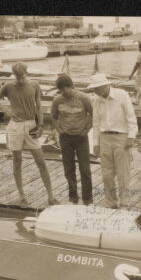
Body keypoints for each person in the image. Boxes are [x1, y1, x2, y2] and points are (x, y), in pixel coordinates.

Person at [0, 62, 59, 207]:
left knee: (40, 161)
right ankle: (22, 196)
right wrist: (7, 111)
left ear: (26, 73)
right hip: (15, 126)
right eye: (17, 77)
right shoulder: (8, 86)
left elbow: (39, 107)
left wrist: (41, 125)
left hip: (31, 125)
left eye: (22, 77)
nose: (20, 80)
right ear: (14, 75)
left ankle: (51, 196)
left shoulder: (34, 85)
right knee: (17, 161)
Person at [88, 73, 138, 209]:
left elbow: (131, 117)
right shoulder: (96, 101)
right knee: (106, 174)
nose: (95, 91)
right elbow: (96, 123)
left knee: (123, 173)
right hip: (104, 138)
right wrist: (96, 143)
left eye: (97, 88)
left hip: (121, 137)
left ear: (105, 85)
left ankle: (125, 203)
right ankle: (110, 202)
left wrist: (131, 136)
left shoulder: (122, 95)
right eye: (94, 88)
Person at [51, 74, 93, 205]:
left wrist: (87, 130)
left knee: (85, 169)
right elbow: (53, 117)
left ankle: (87, 199)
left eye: (67, 88)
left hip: (81, 138)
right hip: (65, 138)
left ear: (72, 86)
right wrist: (60, 130)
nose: (65, 92)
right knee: (69, 169)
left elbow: (93, 114)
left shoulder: (84, 98)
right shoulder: (57, 100)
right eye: (62, 90)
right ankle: (73, 197)